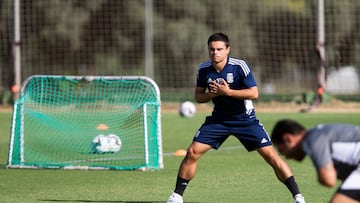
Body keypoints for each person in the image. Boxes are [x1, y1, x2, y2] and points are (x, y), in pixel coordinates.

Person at [166, 33, 305, 203]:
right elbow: (199, 97)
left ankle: (298, 196)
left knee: (271, 156)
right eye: (211, 49)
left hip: (245, 120)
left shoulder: (239, 66)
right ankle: (177, 196)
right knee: (192, 152)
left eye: (219, 49)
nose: (215, 52)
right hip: (219, 120)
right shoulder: (203, 69)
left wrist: (228, 92)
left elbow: (254, 93)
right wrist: (211, 94)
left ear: (227, 50)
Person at [271, 119, 360, 203]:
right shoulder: (316, 134)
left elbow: (328, 180)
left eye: (282, 151)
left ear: (288, 138)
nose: (286, 157)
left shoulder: (312, 140)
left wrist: (321, 175)